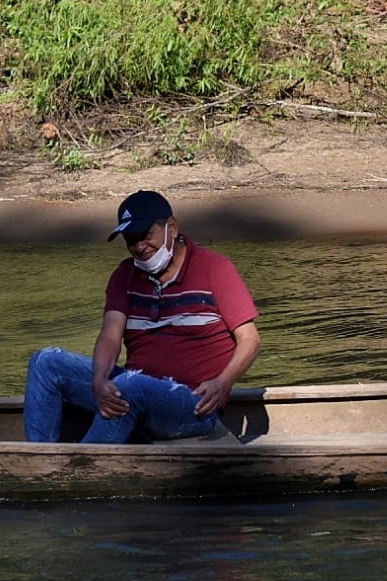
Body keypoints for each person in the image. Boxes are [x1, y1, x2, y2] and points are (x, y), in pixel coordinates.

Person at [24, 190, 262, 444]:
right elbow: (110, 336)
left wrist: (221, 384)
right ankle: (41, 461)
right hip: (136, 387)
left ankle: (84, 471)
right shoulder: (124, 276)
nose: (139, 247)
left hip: (193, 404)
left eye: (146, 236)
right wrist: (99, 381)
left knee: (130, 386)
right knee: (45, 362)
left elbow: (251, 340)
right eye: (131, 239)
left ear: (171, 227)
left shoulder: (215, 268)